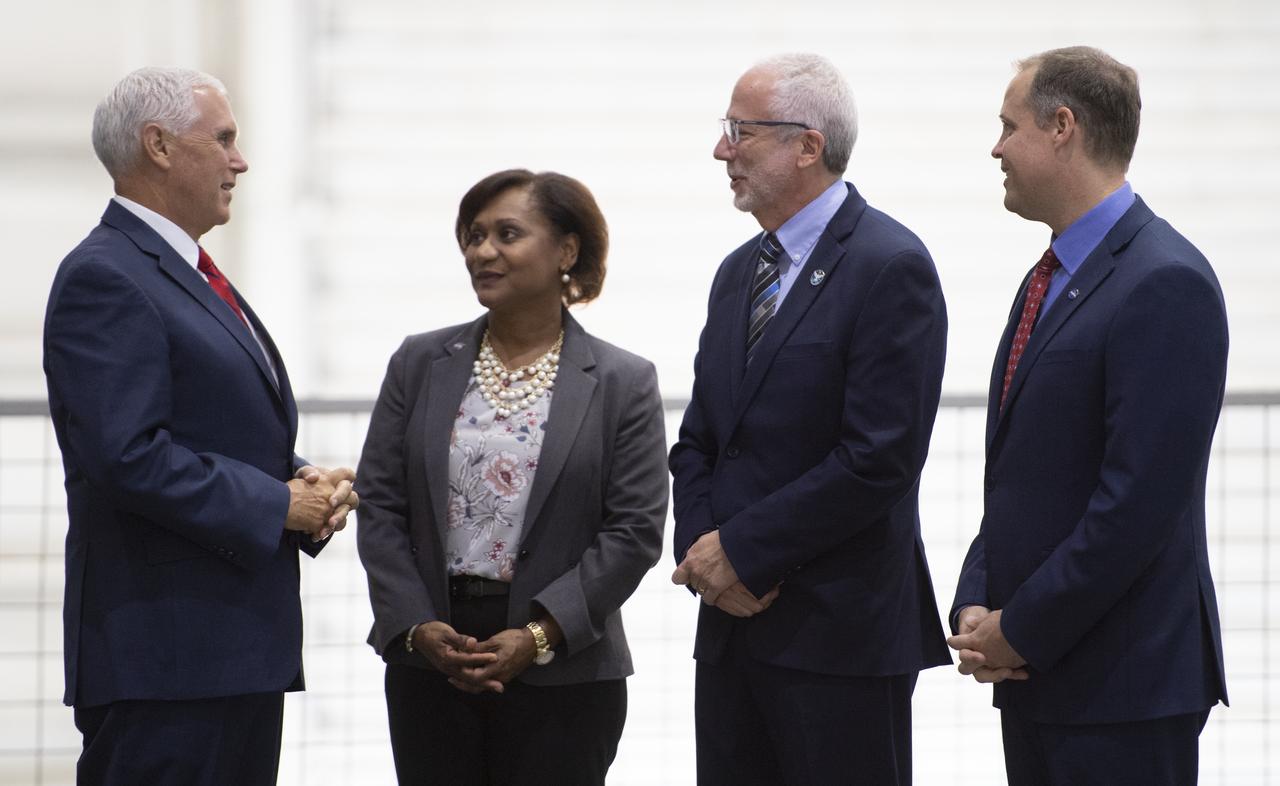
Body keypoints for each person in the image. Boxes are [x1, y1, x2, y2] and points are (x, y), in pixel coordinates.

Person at [42, 67, 359, 785]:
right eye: (222, 140)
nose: (239, 161)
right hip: (167, 660)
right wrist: (277, 504)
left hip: (227, 651)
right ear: (158, 145)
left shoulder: (178, 269)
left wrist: (298, 480)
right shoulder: (108, 275)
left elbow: (211, 428)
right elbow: (127, 456)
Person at [947, 46, 1229, 785]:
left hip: (1123, 689)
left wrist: (1021, 627)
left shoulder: (1165, 282)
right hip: (1043, 676)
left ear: (1062, 127)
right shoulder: (1050, 278)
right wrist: (979, 600)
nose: (997, 147)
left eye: (1009, 127)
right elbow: (1020, 472)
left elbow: (1133, 506)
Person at [668, 53, 951, 785]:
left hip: (839, 640)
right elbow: (701, 440)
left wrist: (743, 552)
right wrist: (705, 557)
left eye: (741, 132)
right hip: (731, 627)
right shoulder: (738, 273)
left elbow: (878, 458)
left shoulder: (891, 265)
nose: (721, 150)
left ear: (807, 144)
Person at [355, 168, 667, 786]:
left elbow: (633, 532)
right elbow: (382, 507)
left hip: (564, 667)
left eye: (507, 233)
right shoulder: (419, 362)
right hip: (432, 660)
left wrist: (539, 634)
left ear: (567, 252)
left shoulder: (622, 382)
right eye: (473, 236)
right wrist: (415, 628)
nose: (482, 252)